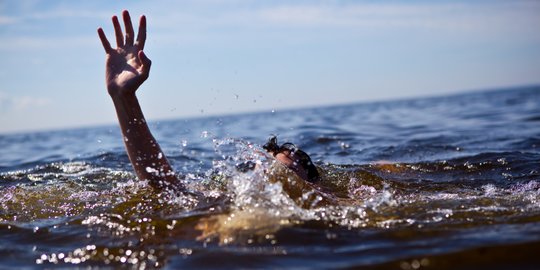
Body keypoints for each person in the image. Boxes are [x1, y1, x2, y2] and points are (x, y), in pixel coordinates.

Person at [97, 10, 319, 192]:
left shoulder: (321, 206)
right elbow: (164, 187)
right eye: (267, 168)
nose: (271, 173)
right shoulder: (224, 201)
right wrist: (123, 98)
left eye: (286, 171)